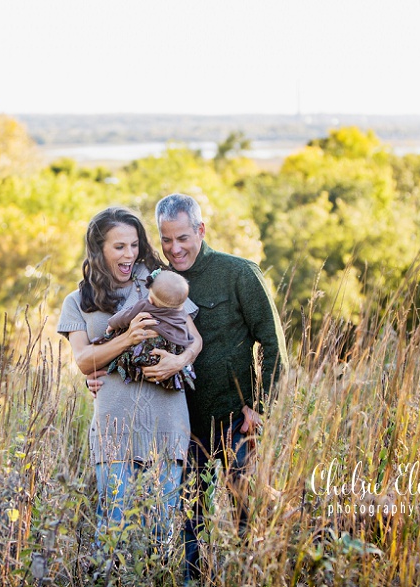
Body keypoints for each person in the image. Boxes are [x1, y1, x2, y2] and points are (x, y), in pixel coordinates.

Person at [154, 193, 289, 582]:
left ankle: (254, 576)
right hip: (184, 426)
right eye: (166, 240)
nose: (174, 248)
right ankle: (197, 579)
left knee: (248, 516)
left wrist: (261, 406)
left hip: (236, 420)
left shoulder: (239, 273)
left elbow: (274, 342)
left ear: (200, 230)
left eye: (182, 237)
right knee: (191, 525)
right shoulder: (160, 281)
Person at [57, 207, 203, 552]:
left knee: (164, 528)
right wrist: (127, 339)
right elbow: (83, 361)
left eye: (134, 245)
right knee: (114, 528)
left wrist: (178, 361)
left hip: (167, 422)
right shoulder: (78, 302)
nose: (130, 254)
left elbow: (194, 338)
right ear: (99, 249)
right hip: (114, 427)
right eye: (119, 246)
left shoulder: (158, 283)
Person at [97, 269, 196, 393]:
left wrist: (111, 325)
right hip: (173, 347)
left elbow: (125, 316)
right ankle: (174, 380)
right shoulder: (181, 312)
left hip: (149, 345)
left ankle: (131, 371)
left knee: (127, 350)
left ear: (152, 299)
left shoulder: (144, 305)